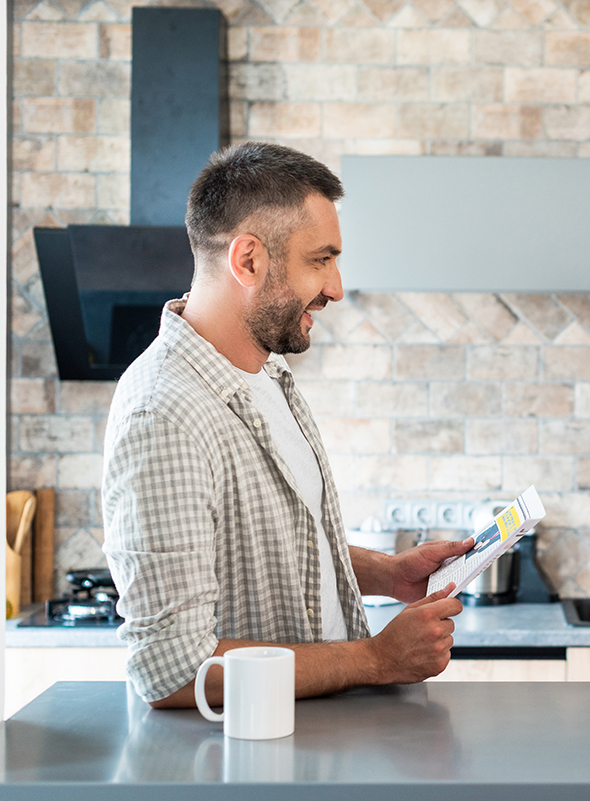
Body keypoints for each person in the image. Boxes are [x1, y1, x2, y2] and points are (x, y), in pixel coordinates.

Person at [102, 142, 473, 708]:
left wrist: (389, 575)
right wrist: (375, 660)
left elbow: (279, 547)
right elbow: (172, 670)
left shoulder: (267, 372)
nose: (336, 287)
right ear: (248, 259)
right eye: (320, 260)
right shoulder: (166, 413)